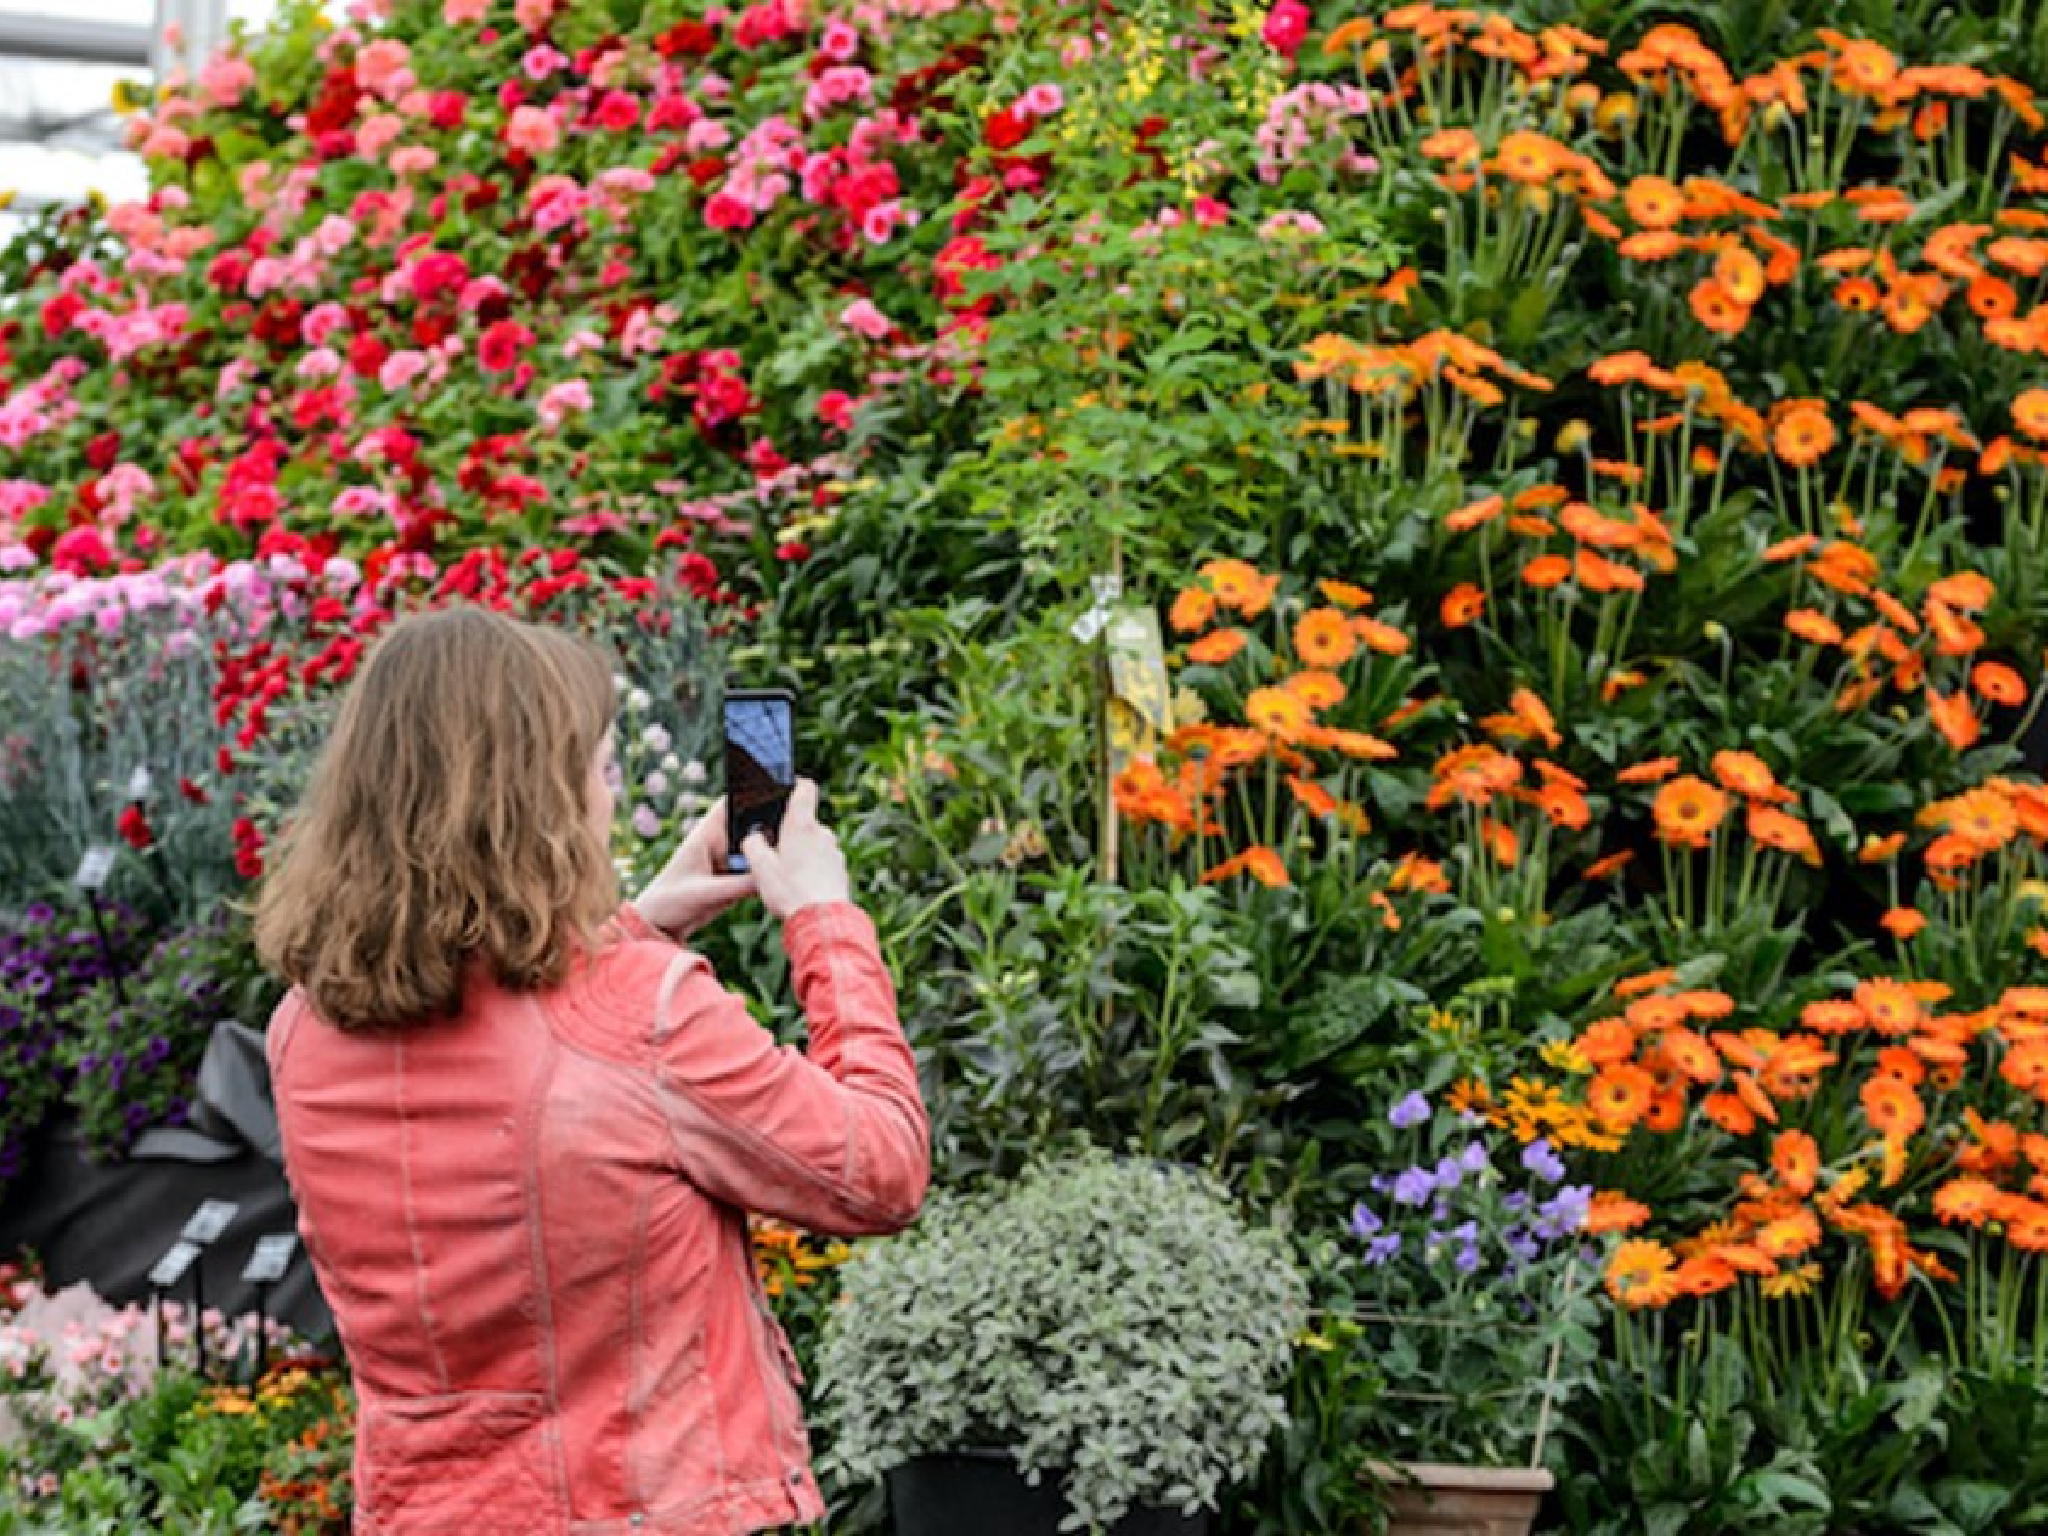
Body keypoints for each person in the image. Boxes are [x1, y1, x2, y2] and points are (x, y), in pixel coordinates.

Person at [254, 606, 930, 1534]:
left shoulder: (304, 1029)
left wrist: (641, 923)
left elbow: (516, 1055)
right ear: (535, 797)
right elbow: (879, 1171)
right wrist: (825, 921)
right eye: (600, 768)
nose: (608, 795)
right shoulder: (640, 1014)